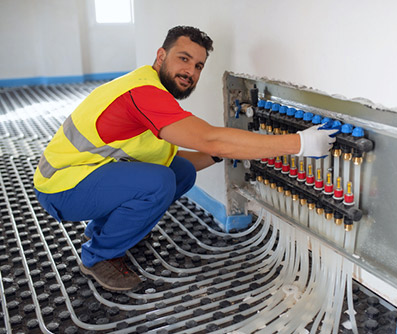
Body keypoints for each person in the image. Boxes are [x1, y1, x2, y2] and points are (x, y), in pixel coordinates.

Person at [33, 26, 336, 291]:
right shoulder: (144, 93)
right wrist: (298, 143)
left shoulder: (147, 85)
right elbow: (209, 137)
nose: (191, 71)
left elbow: (194, 155)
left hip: (86, 175)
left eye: (199, 66)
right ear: (161, 56)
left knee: (179, 173)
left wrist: (222, 154)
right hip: (60, 187)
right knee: (159, 182)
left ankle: (104, 231)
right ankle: (99, 256)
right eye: (183, 58)